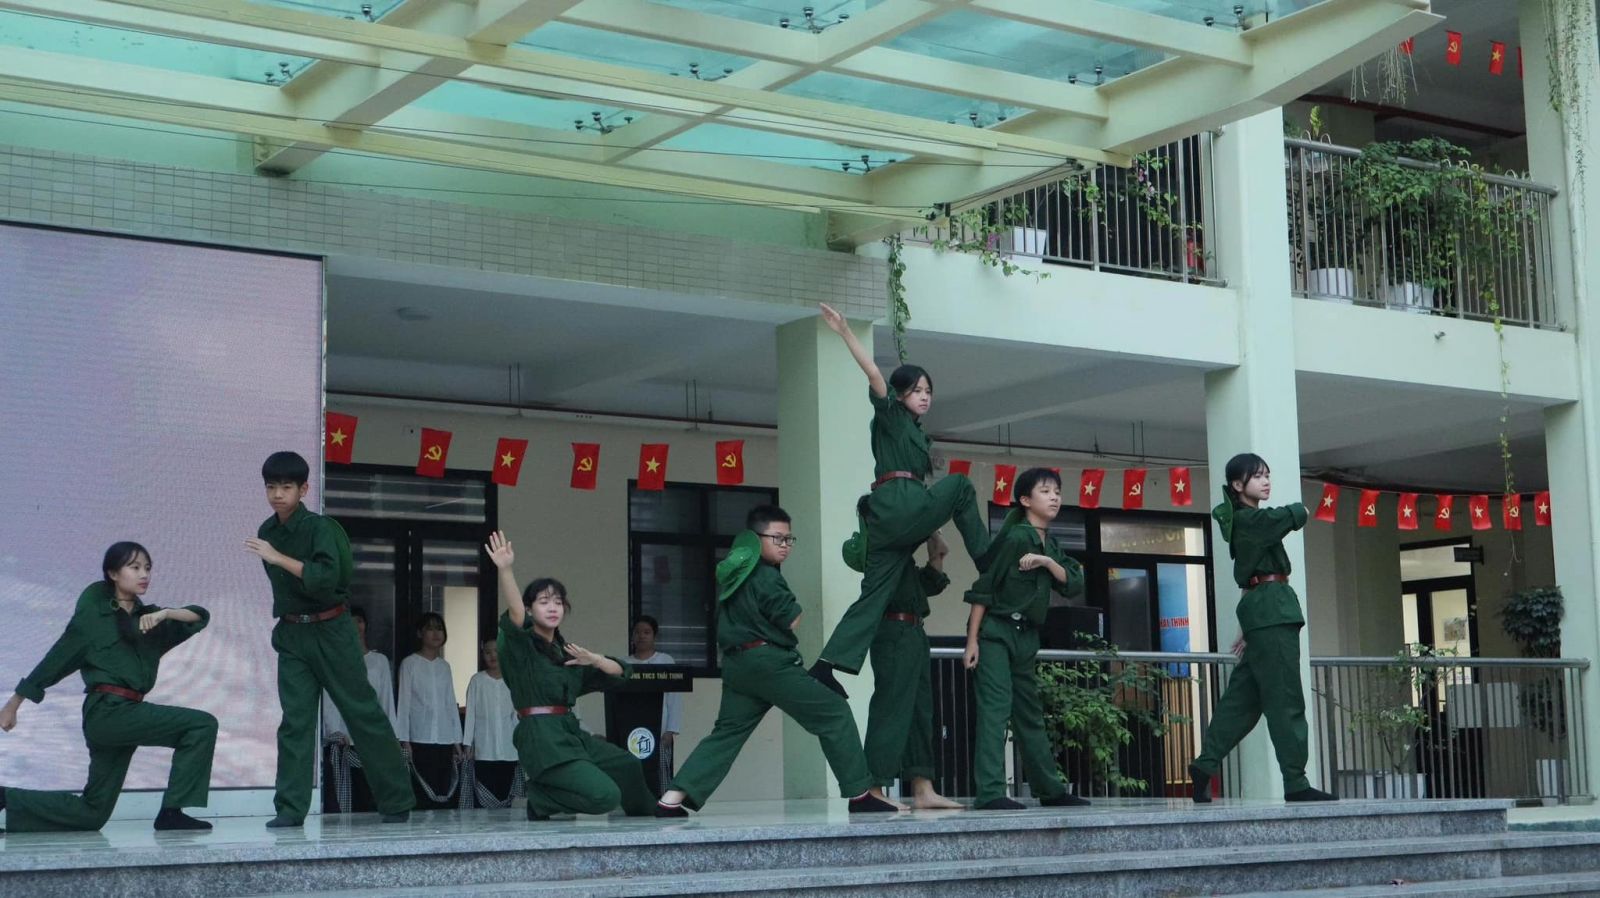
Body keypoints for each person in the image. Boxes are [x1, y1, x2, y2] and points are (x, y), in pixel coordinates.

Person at [656, 505, 900, 817]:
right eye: (777, 538)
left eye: (789, 539)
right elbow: (792, 619)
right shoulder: (767, 576)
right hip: (769, 664)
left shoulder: (735, 576)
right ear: (755, 539)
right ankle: (859, 794)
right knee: (834, 713)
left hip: (737, 665)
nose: (785, 546)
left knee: (727, 733)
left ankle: (671, 798)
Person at [809, 302, 992, 699]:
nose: (924, 397)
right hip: (899, 503)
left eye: (928, 392)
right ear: (900, 393)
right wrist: (845, 331)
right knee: (960, 486)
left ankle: (826, 664)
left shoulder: (916, 432)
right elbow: (874, 374)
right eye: (916, 390)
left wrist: (932, 530)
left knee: (873, 595)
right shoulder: (890, 414)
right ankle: (989, 562)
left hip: (891, 521)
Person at [246, 450, 413, 826]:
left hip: (332, 628)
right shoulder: (268, 531)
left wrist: (278, 557)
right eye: (271, 487)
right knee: (295, 721)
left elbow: (327, 579)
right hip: (292, 632)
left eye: (286, 487)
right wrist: (275, 556)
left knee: (361, 711)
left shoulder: (321, 528)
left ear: (304, 489)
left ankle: (396, 800)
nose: (277, 494)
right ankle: (290, 808)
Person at [0, 542, 216, 832]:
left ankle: (5, 798)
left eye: (148, 568)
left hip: (125, 715)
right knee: (201, 725)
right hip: (108, 712)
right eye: (134, 567)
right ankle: (172, 813)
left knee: (92, 813)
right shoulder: (92, 620)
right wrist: (14, 703)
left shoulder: (150, 620)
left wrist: (166, 613)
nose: (144, 574)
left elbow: (199, 616)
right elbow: (54, 662)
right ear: (113, 573)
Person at [1189, 453, 1336, 804]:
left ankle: (1205, 764)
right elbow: (1297, 513)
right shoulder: (1252, 519)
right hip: (1272, 608)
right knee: (1285, 696)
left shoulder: (1243, 521)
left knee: (1243, 698)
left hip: (1261, 610)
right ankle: (1295, 782)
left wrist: (1246, 626)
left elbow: (1248, 577)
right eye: (1258, 476)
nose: (1266, 481)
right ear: (1238, 485)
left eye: (1267, 475)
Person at [484, 532, 654, 820]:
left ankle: (649, 811)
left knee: (627, 765)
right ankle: (541, 799)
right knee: (605, 796)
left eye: (558, 602)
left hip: (570, 734)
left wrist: (595, 659)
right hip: (541, 738)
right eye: (543, 601)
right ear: (529, 609)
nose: (553, 607)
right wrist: (506, 569)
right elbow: (515, 617)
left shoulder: (567, 653)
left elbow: (621, 674)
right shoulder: (519, 646)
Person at [964, 468, 1091, 810]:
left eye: (1057, 492)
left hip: (1026, 635)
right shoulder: (1016, 537)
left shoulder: (1050, 543)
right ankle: (990, 793)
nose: (1054, 497)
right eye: (1045, 491)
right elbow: (984, 588)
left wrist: (1047, 561)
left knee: (1029, 713)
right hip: (996, 632)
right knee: (995, 710)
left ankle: (1050, 789)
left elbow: (1074, 582)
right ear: (1025, 500)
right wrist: (972, 641)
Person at [862, 532, 963, 809]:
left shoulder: (902, 558)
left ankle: (923, 787)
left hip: (913, 630)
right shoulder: (884, 548)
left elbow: (923, 587)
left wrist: (935, 555)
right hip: (894, 630)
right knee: (890, 708)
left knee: (921, 711)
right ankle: (873, 786)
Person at [321, 606, 396, 814]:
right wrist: (334, 731)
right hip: (344, 740)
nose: (356, 626)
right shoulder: (334, 660)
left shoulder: (379, 661)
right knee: (343, 800)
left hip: (372, 739)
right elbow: (329, 698)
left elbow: (386, 700)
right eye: (350, 622)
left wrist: (390, 737)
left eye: (360, 621)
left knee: (370, 800)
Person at [397, 612, 464, 810]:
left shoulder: (445, 667)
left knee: (444, 791)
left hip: (444, 738)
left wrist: (456, 740)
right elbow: (404, 702)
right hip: (419, 737)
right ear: (420, 633)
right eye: (430, 629)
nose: (436, 633)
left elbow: (450, 703)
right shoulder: (409, 663)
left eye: (439, 628)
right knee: (422, 795)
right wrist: (404, 739)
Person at [462, 638, 521, 809]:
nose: (493, 656)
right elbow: (471, 714)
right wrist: (467, 744)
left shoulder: (513, 680)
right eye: (488, 652)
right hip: (484, 749)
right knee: (484, 794)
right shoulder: (477, 681)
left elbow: (518, 714)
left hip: (509, 748)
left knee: (505, 793)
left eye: (497, 651)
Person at [626, 615, 681, 784]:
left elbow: (674, 698)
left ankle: (663, 799)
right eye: (637, 632)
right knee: (633, 772)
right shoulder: (624, 663)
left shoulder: (665, 661)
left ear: (654, 636)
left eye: (646, 632)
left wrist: (671, 730)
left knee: (661, 774)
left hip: (661, 729)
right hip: (631, 730)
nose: (641, 636)